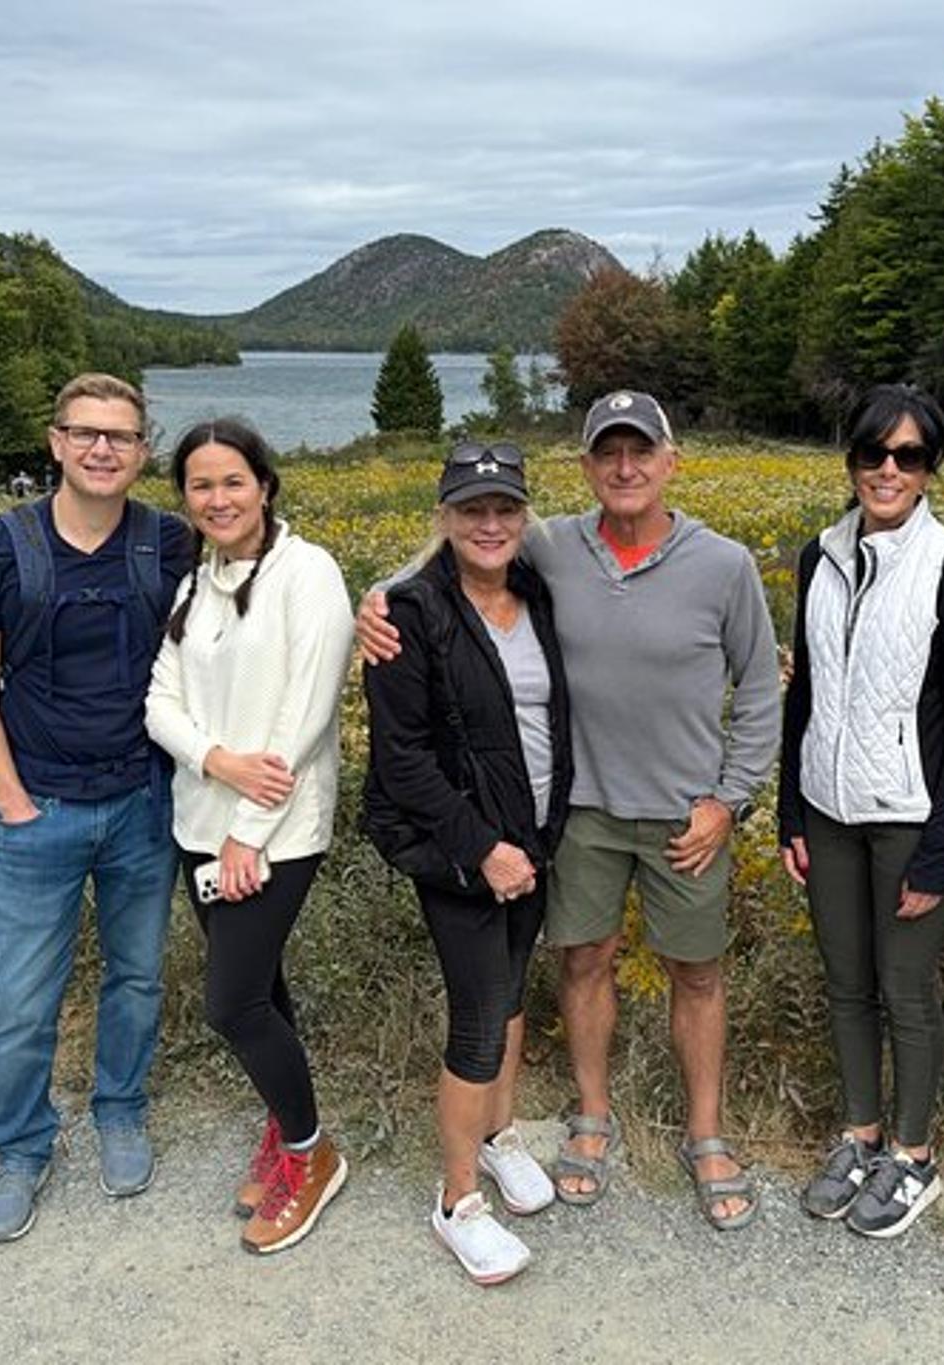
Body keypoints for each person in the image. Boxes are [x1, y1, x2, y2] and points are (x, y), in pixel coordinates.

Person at [358, 391, 780, 1230]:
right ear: (585, 467)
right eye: (607, 454)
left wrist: (728, 800)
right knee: (583, 963)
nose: (625, 468)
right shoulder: (552, 548)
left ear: (670, 461)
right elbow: (449, 560)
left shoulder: (725, 563)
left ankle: (705, 1131)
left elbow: (761, 688)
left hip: (684, 819)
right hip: (578, 812)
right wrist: (371, 599)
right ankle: (590, 1118)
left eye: (641, 452)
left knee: (697, 972)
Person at [0, 373, 197, 1243]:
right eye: (85, 433)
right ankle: (20, 1149)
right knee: (22, 997)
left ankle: (118, 1111)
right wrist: (11, 802)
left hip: (141, 801)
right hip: (37, 810)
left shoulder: (169, 543)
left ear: (141, 450)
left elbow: (268, 579)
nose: (101, 449)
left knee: (135, 977)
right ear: (54, 441)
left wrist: (380, 599)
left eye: (120, 437)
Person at [777, 383, 944, 1240]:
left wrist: (940, 849)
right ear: (853, 460)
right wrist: (790, 809)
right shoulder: (817, 556)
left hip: (910, 816)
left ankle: (913, 1155)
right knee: (847, 984)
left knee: (905, 988)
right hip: (828, 812)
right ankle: (860, 1134)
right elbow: (808, 693)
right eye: (874, 453)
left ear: (931, 467)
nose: (888, 470)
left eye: (908, 455)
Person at [361, 442, 571, 1284]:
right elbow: (402, 757)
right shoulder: (411, 612)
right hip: (463, 851)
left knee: (513, 995)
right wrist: (482, 848)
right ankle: (457, 1202)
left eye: (505, 509)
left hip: (534, 840)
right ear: (445, 517)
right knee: (480, 1015)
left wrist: (523, 844)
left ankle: (498, 1135)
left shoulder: (536, 594)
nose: (490, 523)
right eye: (472, 509)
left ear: (523, 518)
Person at [145, 417, 354, 1256]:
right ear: (186, 500)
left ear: (265, 485)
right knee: (263, 990)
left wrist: (249, 833)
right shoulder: (195, 584)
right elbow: (158, 702)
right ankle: (283, 1124)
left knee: (231, 1003)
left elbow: (304, 718)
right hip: (199, 821)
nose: (219, 498)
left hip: (276, 832)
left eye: (234, 481)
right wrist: (217, 760)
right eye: (201, 485)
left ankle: (310, 1152)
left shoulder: (309, 574)